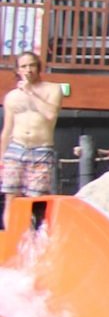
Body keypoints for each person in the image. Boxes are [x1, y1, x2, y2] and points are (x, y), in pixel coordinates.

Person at [2, 52, 63, 211]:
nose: (28, 70)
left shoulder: (52, 89)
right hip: (16, 147)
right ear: (17, 70)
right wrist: (1, 158)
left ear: (38, 67)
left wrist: (30, 92)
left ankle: (33, 234)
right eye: (23, 66)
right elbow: (7, 130)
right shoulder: (12, 96)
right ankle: (13, 234)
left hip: (41, 148)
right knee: (11, 197)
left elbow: (50, 114)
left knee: (36, 198)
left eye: (32, 65)